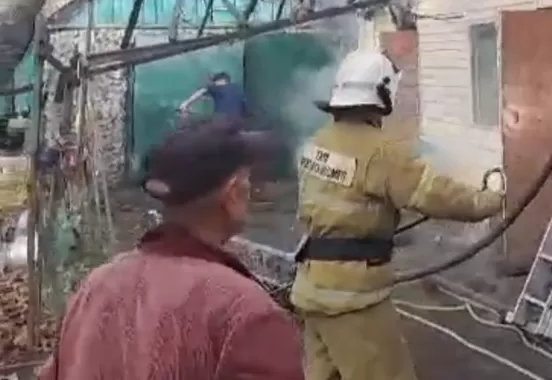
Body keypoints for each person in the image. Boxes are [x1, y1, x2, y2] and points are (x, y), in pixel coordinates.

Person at [291, 48, 505, 380]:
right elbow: (435, 195)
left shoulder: (317, 142)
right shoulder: (381, 152)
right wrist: (491, 200)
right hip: (352, 299)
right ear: (382, 91)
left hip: (312, 288)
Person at [38, 117, 304, 380]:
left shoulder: (94, 288)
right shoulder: (248, 314)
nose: (252, 188)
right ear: (233, 193)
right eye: (248, 178)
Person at [178, 71, 249, 123]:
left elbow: (203, 90)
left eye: (215, 81)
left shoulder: (218, 87)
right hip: (238, 122)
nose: (214, 84)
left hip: (221, 122)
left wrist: (185, 103)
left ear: (221, 81)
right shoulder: (239, 88)